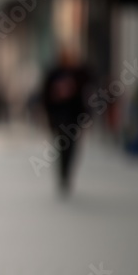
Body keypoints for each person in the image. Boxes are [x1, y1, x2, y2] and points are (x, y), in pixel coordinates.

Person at [40, 46, 91, 197]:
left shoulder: (78, 74)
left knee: (72, 148)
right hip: (59, 118)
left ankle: (67, 174)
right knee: (62, 147)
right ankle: (63, 175)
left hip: (74, 118)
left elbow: (84, 94)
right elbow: (46, 97)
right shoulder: (54, 74)